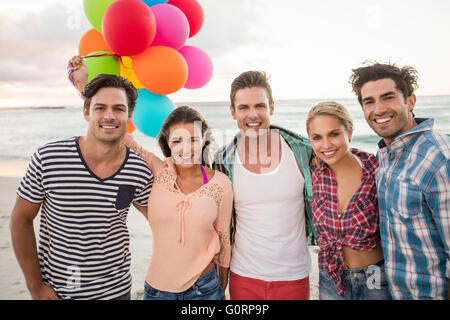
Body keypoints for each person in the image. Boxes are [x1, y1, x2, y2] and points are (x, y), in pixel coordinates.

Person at [9, 74, 153, 299]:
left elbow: (162, 222)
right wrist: (35, 286)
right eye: (100, 108)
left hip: (117, 291)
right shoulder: (49, 158)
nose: (109, 116)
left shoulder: (139, 169)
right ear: (86, 112)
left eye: (118, 108)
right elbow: (20, 220)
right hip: (59, 292)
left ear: (129, 115)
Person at [349, 61, 450, 300]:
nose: (379, 109)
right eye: (369, 101)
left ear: (410, 101)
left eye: (388, 97)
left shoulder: (438, 159)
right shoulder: (384, 156)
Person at [213, 70, 316, 300]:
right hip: (243, 276)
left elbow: (339, 161)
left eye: (260, 105)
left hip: (294, 276)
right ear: (233, 112)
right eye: (243, 108)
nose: (253, 115)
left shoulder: (301, 151)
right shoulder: (223, 160)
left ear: (271, 107)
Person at [122, 106, 233, 300]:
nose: (186, 148)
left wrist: (221, 286)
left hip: (204, 288)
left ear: (204, 140)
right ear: (167, 143)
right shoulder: (159, 171)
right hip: (156, 291)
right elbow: (128, 143)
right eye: (177, 140)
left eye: (193, 139)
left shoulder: (220, 183)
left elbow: (224, 239)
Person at [306, 101, 391, 300]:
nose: (326, 145)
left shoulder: (377, 170)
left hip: (375, 278)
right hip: (330, 278)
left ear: (349, 132)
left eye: (334, 134)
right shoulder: (313, 171)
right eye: (317, 137)